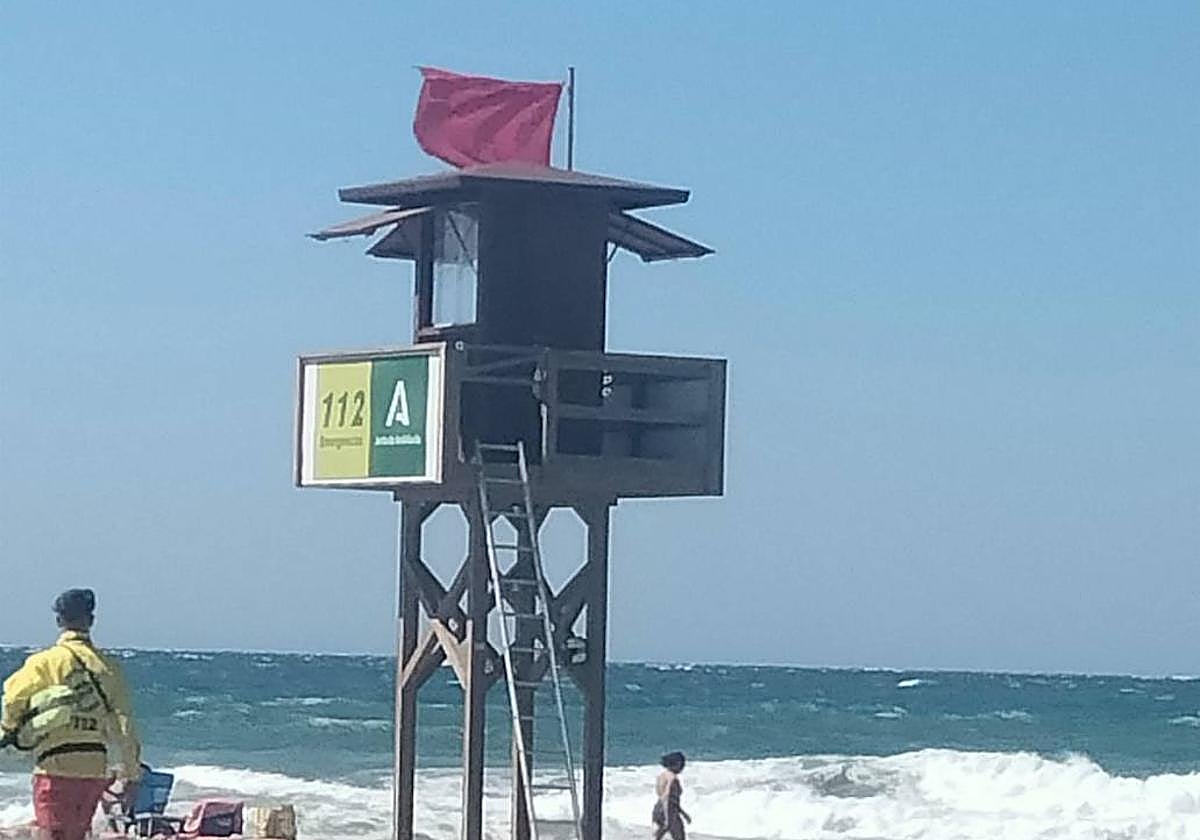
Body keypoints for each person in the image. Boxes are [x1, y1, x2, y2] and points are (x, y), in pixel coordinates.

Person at [0, 589, 142, 840]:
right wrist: (131, 774)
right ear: (91, 619)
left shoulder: (44, 662)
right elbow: (124, 724)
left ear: (59, 621)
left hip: (55, 768)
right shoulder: (109, 668)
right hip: (94, 769)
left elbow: (13, 697)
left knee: (52, 836)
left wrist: (9, 730)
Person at [652, 751, 691, 840]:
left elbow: (663, 797)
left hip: (658, 809)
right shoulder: (672, 779)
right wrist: (668, 818)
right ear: (677, 764)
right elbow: (667, 797)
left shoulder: (661, 776)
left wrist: (683, 813)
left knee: (658, 836)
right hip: (669, 810)